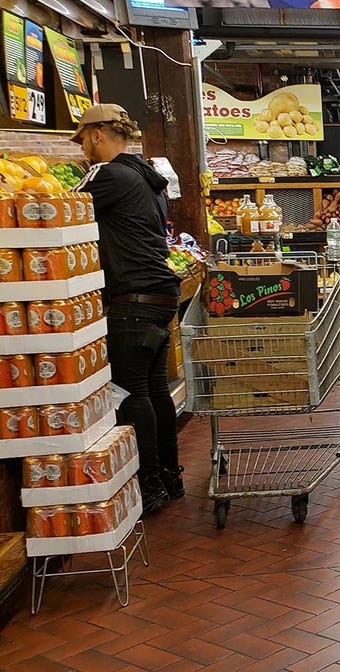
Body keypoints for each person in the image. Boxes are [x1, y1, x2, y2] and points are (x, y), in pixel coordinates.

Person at [71, 104, 182, 515]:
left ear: (98, 134)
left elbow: (62, 214)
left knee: (133, 392)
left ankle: (149, 484)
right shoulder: (147, 175)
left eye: (83, 138)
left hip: (132, 297)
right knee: (154, 389)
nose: (84, 148)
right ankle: (170, 476)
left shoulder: (109, 174)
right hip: (158, 292)